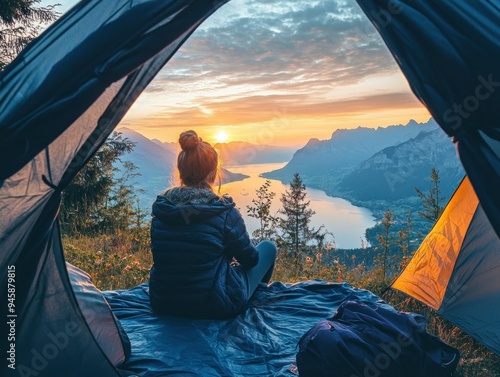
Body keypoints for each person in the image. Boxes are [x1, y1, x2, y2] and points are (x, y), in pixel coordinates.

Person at [149, 130, 277, 319]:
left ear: (181, 171)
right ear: (213, 172)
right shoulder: (222, 210)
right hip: (214, 304)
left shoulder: (162, 209)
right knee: (268, 248)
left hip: (163, 302)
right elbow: (250, 260)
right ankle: (254, 305)